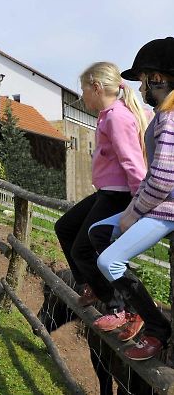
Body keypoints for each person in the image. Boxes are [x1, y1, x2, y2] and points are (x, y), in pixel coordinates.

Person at [89, 37, 174, 360]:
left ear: (158, 79)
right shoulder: (164, 115)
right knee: (99, 232)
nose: (140, 90)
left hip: (165, 209)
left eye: (143, 82)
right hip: (159, 205)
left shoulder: (168, 117)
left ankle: (156, 328)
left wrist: (133, 212)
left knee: (108, 260)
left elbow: (164, 177)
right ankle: (130, 305)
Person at [54, 62, 148, 340]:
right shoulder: (107, 115)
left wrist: (138, 205)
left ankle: (121, 306)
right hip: (106, 191)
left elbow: (132, 162)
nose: (82, 96)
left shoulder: (117, 117)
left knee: (83, 249)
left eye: (84, 89)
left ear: (96, 87)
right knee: (65, 228)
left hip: (120, 194)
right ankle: (91, 284)